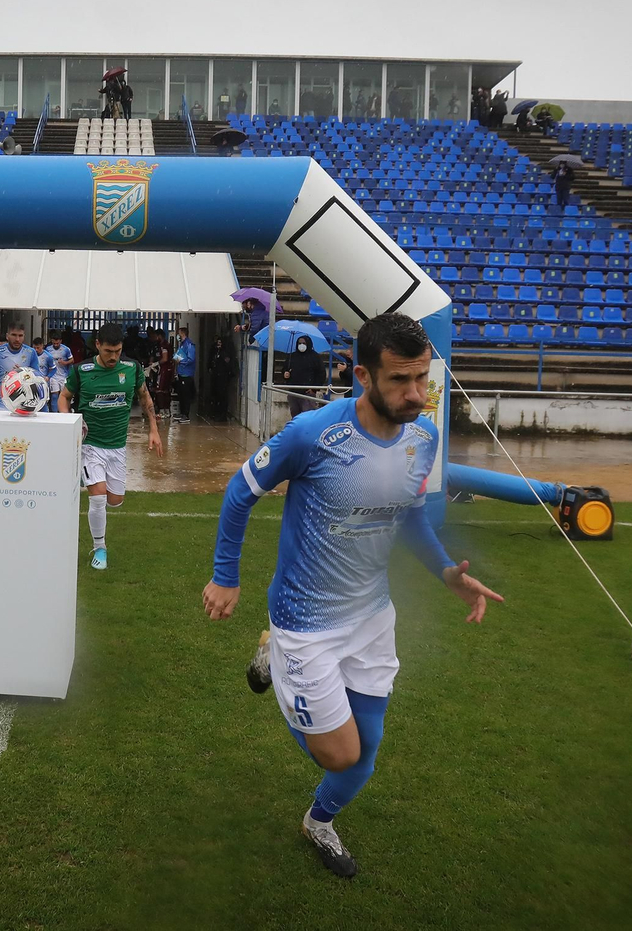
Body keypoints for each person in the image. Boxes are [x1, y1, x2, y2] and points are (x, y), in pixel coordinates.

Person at [202, 312, 503, 879]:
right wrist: (226, 575)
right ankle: (278, 658)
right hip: (305, 619)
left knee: (363, 758)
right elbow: (239, 492)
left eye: (422, 379)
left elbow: (408, 515)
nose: (416, 395)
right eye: (399, 381)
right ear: (362, 377)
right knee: (338, 753)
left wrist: (446, 573)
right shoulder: (312, 434)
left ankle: (318, 821)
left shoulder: (424, 436)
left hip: (370, 616)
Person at [58, 322, 164, 570]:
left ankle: (98, 492)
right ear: (97, 345)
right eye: (108, 351)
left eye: (117, 350)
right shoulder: (81, 370)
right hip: (90, 444)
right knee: (98, 498)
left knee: (114, 500)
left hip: (117, 446)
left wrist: (154, 430)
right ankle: (100, 548)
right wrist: (69, 423)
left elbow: (145, 396)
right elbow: (64, 397)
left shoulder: (132, 369)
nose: (113, 356)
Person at [282, 333, 327, 418]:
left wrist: (314, 389)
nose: (301, 345)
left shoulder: (315, 357)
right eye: (299, 343)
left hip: (308, 393)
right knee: (295, 416)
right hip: (293, 392)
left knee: (308, 417)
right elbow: (285, 369)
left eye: (304, 343)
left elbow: (321, 374)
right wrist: (285, 374)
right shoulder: (292, 356)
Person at [40, 329, 74, 412]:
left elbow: (72, 360)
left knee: (64, 396)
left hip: (63, 376)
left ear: (61, 341)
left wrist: (65, 362)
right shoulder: (48, 349)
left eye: (57, 343)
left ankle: (65, 413)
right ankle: (55, 414)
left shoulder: (66, 349)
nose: (55, 345)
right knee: (54, 395)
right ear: (51, 341)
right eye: (54, 343)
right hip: (53, 376)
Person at [208, 334, 238, 418]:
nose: (218, 344)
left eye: (220, 343)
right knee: (215, 395)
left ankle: (222, 413)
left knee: (222, 396)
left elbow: (227, 363)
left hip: (223, 377)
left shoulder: (225, 353)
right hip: (216, 376)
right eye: (217, 342)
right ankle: (216, 412)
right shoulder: (215, 351)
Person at [173, 325, 197, 424]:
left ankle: (186, 415)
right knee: (181, 394)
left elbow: (191, 359)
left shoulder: (189, 345)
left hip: (187, 374)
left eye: (179, 333)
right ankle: (182, 413)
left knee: (186, 395)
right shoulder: (182, 344)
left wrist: (180, 362)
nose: (177, 335)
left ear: (183, 333)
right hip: (181, 373)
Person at [147, 345, 175, 419]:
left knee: (160, 390)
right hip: (165, 370)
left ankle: (163, 411)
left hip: (163, 371)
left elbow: (165, 359)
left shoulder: (163, 345)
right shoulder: (157, 347)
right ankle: (166, 410)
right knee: (165, 390)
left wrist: (156, 363)